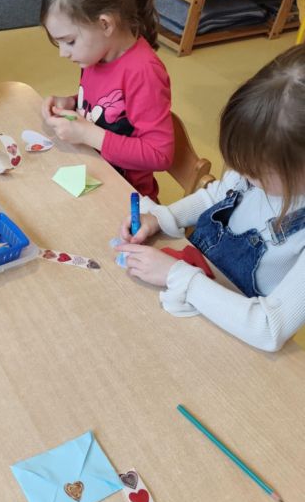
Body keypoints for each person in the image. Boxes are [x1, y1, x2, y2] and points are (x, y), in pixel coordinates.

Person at [116, 44, 305, 352]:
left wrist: (179, 277)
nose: (243, 175)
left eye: (256, 171)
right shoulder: (256, 167)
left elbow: (270, 329)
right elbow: (216, 196)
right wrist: (163, 218)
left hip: (237, 332)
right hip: (200, 292)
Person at [40, 0, 174, 201]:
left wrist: (87, 134)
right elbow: (109, 108)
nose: (63, 53)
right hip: (93, 174)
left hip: (126, 198)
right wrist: (71, 103)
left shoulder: (144, 72)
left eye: (69, 41)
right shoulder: (97, 54)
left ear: (105, 24)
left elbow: (160, 154)